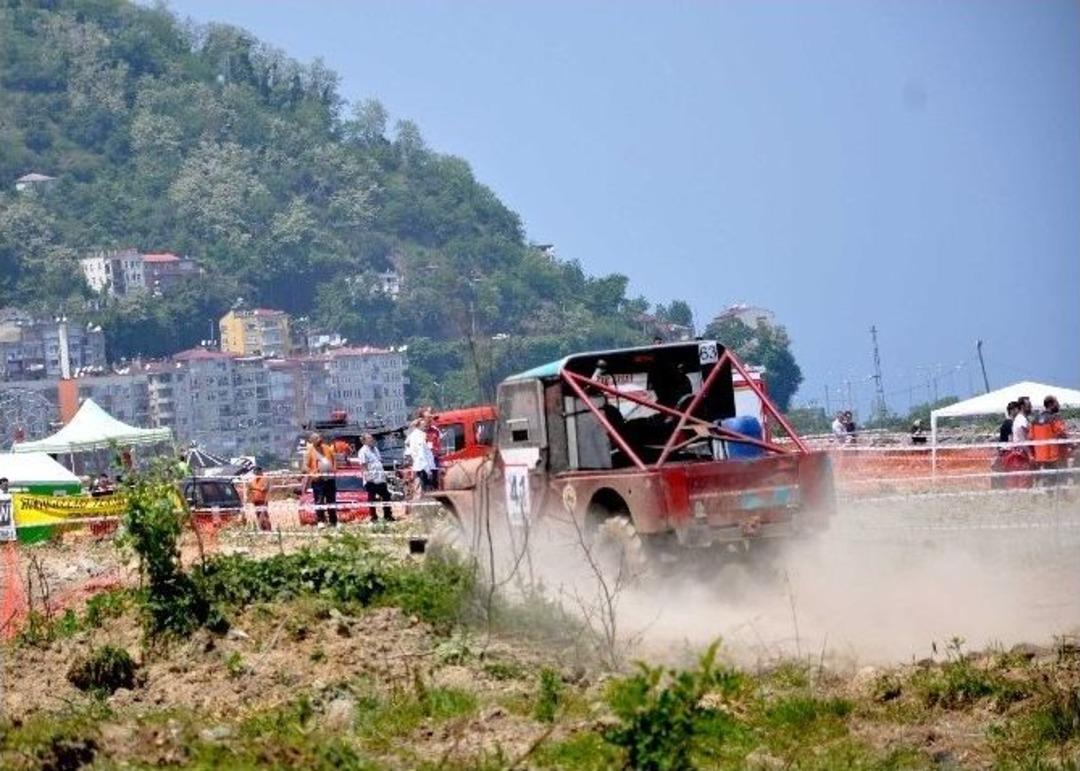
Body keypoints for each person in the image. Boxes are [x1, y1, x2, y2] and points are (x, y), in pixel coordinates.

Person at [1030, 395, 1069, 487]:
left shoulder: (1035, 420)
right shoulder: (1054, 418)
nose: (1058, 405)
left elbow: (1031, 437)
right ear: (1051, 404)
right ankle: (1061, 495)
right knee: (1060, 480)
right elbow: (1061, 433)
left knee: (1047, 480)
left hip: (1041, 456)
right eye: (1057, 403)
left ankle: (1049, 495)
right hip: (1054, 455)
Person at [357, 433, 394, 522]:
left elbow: (379, 461)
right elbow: (363, 465)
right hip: (371, 479)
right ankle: (373, 517)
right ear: (364, 441)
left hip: (380, 477)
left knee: (386, 496)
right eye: (369, 438)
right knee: (372, 498)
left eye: (372, 438)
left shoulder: (375, 449)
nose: (372, 440)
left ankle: (388, 515)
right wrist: (367, 476)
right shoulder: (362, 451)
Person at [304, 432, 338, 529]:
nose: (320, 439)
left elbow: (334, 459)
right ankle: (321, 521)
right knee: (319, 501)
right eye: (317, 438)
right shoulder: (309, 452)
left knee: (331, 500)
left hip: (330, 479)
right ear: (312, 441)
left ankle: (333, 521)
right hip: (318, 481)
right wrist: (313, 474)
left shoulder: (327, 448)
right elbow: (305, 466)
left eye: (319, 437)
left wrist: (334, 469)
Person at [991, 402, 1020, 489]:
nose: (1019, 411)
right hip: (1006, 451)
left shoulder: (1009, 422)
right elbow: (1011, 438)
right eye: (1017, 409)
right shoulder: (1009, 423)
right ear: (1012, 410)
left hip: (1004, 451)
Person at [405, 418, 433, 495]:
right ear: (418, 426)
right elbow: (422, 453)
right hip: (422, 464)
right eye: (423, 425)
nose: (425, 427)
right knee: (425, 485)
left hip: (419, 464)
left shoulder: (413, 435)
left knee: (420, 483)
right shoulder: (419, 435)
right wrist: (428, 469)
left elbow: (407, 443)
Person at [249, 466, 271, 531]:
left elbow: (264, 488)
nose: (255, 473)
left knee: (264, 515)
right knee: (258, 515)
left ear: (260, 471)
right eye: (254, 472)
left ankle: (268, 529)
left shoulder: (265, 479)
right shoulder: (253, 480)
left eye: (257, 471)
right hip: (256, 501)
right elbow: (250, 489)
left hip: (263, 500)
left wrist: (254, 488)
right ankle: (262, 529)